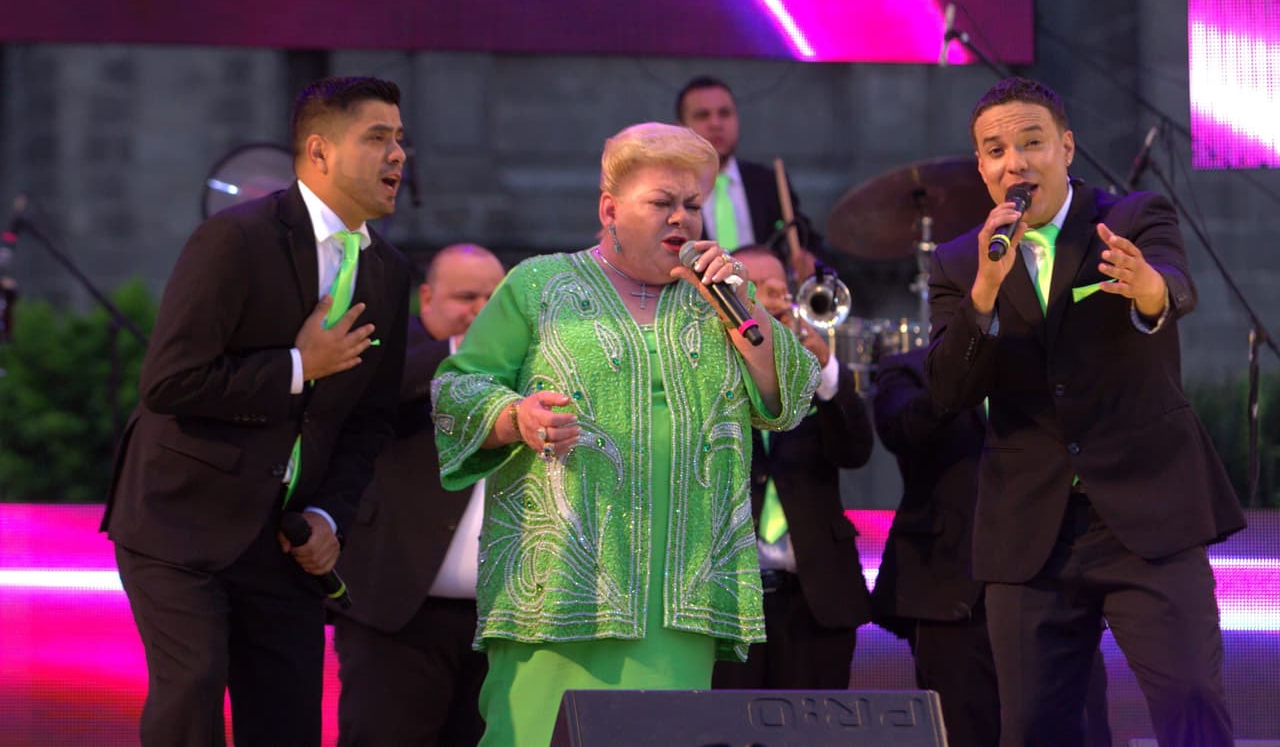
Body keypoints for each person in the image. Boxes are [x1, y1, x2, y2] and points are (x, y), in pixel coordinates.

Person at [431, 122, 820, 746]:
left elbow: (791, 400)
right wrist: (516, 417)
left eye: (692, 204)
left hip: (683, 591)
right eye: (662, 202)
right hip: (560, 586)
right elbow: (457, 389)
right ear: (609, 209)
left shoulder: (720, 298)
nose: (681, 218)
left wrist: (740, 305)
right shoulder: (539, 286)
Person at [924, 76, 1245, 746]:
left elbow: (1173, 288)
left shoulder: (1130, 218)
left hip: (1147, 511)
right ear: (981, 167)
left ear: (1066, 148)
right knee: (1034, 727)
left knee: (1190, 699)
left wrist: (1149, 289)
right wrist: (984, 292)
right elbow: (949, 390)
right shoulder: (959, 263)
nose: (1015, 163)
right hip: (1031, 528)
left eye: (1032, 143)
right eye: (996, 151)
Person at [101, 76, 412, 746]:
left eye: (400, 139)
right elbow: (170, 382)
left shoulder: (388, 270)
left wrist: (329, 515)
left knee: (287, 719)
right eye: (377, 138)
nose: (398, 155)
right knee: (192, 692)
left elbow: (369, 420)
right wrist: (299, 367)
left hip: (285, 539)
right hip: (181, 520)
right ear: (319, 151)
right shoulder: (235, 238)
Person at [872, 346, 1112, 747]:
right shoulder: (909, 368)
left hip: (1056, 588)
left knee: (1079, 729)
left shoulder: (1055, 358)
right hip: (954, 600)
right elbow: (902, 430)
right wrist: (965, 365)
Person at [331, 243, 505, 746]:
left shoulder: (524, 360)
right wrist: (462, 351)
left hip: (498, 623)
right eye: (466, 297)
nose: (481, 311)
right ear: (427, 298)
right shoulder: (393, 347)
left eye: (495, 299)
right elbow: (367, 391)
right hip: (398, 613)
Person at [711, 244, 874, 690]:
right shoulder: (707, 370)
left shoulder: (811, 371)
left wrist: (825, 369)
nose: (776, 299)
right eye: (759, 288)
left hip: (814, 598)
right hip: (730, 601)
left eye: (780, 288)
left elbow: (856, 451)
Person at [675, 75, 821, 278]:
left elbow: (804, 238)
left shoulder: (768, 182)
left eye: (724, 114)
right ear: (681, 127)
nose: (716, 124)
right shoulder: (672, 189)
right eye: (702, 115)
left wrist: (808, 259)